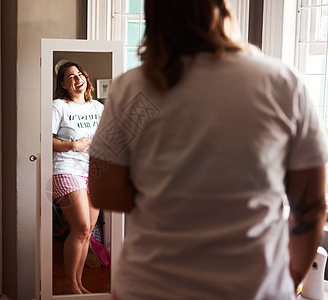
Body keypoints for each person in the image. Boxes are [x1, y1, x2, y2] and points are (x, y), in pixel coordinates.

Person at [88, 0, 328, 299]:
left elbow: (103, 192)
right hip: (255, 287)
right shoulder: (282, 83)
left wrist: (171, 186)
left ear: (154, 17)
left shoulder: (132, 88)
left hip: (151, 285)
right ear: (224, 10)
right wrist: (289, 280)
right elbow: (311, 206)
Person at [52, 61, 104, 294]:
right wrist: (73, 144)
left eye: (79, 74)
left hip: (93, 172)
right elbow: (44, 138)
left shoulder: (97, 108)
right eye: (70, 77)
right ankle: (70, 285)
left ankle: (79, 283)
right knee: (81, 226)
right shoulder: (59, 107)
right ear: (63, 84)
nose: (77, 79)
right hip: (67, 169)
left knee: (88, 230)